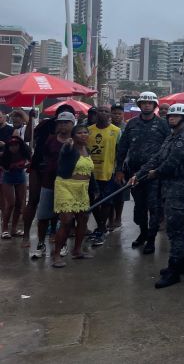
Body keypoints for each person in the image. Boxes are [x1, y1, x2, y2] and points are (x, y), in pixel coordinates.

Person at [131, 103, 184, 288]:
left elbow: (170, 164)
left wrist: (154, 173)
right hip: (170, 187)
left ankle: (174, 269)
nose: (171, 118)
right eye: (169, 116)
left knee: (174, 229)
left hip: (181, 188)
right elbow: (157, 158)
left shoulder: (183, 139)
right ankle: (180, 264)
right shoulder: (171, 137)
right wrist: (139, 174)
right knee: (177, 228)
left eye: (175, 116)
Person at [116, 91, 170, 254]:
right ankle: (143, 233)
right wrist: (119, 170)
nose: (146, 105)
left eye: (150, 103)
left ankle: (151, 240)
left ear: (154, 106)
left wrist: (161, 170)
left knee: (154, 207)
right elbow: (122, 148)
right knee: (139, 207)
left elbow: (168, 148)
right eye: (144, 103)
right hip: (135, 174)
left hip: (154, 174)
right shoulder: (131, 124)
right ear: (139, 105)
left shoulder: (162, 125)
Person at [22, 104, 75, 248]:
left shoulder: (74, 132)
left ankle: (53, 232)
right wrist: (31, 119)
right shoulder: (45, 124)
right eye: (61, 117)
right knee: (33, 200)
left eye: (68, 117)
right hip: (38, 166)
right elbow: (27, 137)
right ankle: (26, 235)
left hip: (59, 171)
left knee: (57, 203)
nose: (64, 120)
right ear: (56, 116)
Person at [51, 124, 95, 268]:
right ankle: (56, 254)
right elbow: (65, 153)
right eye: (79, 133)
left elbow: (90, 173)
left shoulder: (87, 150)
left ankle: (77, 251)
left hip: (83, 188)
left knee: (83, 219)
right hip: (66, 185)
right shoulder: (69, 148)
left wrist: (95, 189)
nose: (83, 135)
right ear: (73, 136)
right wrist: (68, 146)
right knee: (66, 220)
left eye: (85, 132)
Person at [87, 105, 120, 246]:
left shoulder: (116, 131)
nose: (103, 113)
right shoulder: (88, 131)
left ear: (110, 115)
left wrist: (119, 170)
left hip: (108, 172)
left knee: (106, 201)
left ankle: (101, 229)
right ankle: (101, 227)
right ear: (96, 113)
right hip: (91, 173)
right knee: (93, 201)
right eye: (101, 111)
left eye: (107, 111)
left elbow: (120, 151)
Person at [0, 136, 30, 239]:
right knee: (10, 204)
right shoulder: (4, 155)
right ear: (8, 147)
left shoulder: (24, 152)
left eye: (16, 145)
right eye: (11, 146)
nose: (13, 148)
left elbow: (30, 162)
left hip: (20, 177)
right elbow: (3, 167)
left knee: (19, 203)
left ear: (19, 145)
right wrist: (10, 167)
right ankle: (4, 229)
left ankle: (14, 228)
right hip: (8, 178)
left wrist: (24, 165)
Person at [108, 104, 127, 231]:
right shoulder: (107, 127)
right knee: (109, 194)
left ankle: (118, 218)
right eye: (114, 113)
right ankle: (110, 219)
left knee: (120, 193)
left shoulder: (127, 127)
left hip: (123, 165)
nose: (117, 116)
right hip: (108, 165)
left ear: (123, 115)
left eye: (119, 113)